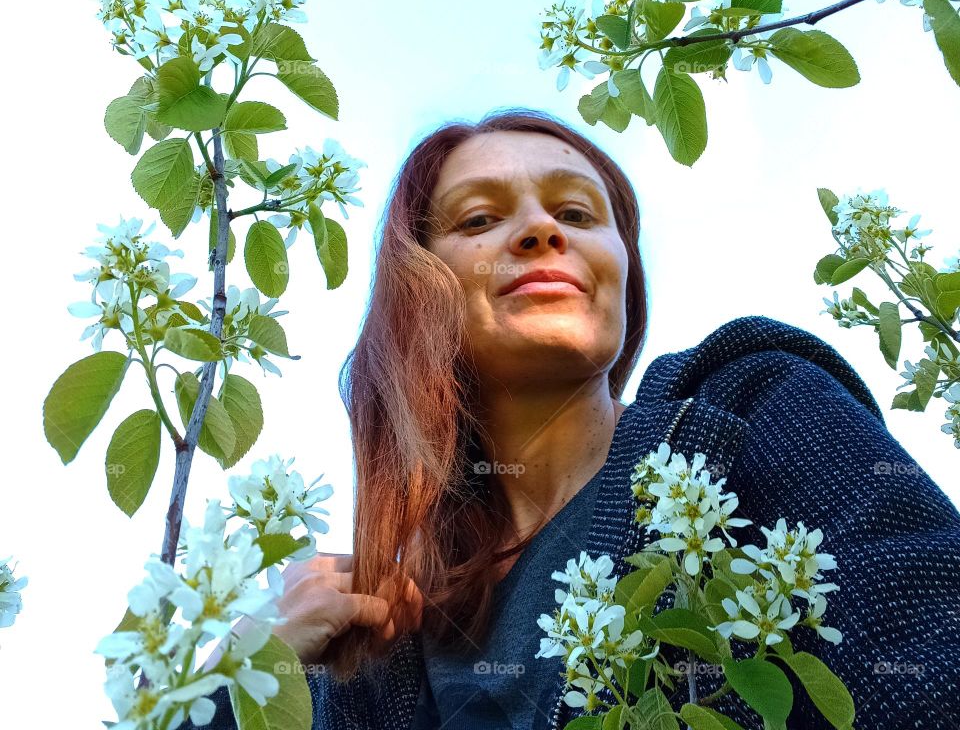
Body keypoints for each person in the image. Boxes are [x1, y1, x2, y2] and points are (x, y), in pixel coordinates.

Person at [183, 108, 960, 730]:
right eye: (479, 219)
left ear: (622, 272)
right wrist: (249, 668)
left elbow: (930, 658)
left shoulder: (750, 412)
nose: (541, 231)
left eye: (578, 212)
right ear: (420, 286)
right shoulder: (376, 643)